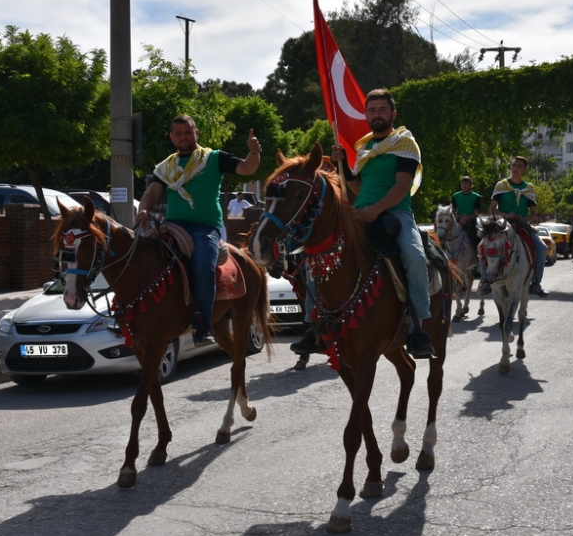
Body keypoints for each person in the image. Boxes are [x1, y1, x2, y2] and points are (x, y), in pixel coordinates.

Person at [294, 89, 436, 359]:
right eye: (371, 111)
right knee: (317, 258)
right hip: (359, 213)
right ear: (366, 115)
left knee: (415, 257)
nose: (376, 115)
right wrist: (343, 169)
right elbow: (357, 187)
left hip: (397, 214)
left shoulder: (405, 143)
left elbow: (401, 187)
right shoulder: (364, 146)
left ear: (392, 114)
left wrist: (375, 211)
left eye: (382, 110)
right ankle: (314, 326)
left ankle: (419, 326)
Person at [136, 115, 262, 343]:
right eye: (179, 133)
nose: (184, 137)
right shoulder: (166, 167)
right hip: (172, 226)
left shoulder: (214, 158)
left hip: (205, 229)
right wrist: (143, 208)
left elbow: (246, 168)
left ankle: (203, 323)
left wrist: (254, 153)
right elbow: (152, 192)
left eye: (188, 132)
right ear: (172, 137)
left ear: (197, 134)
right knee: (144, 257)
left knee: (203, 264)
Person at [480, 156, 549, 297]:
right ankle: (485, 281)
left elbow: (534, 214)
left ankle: (535, 283)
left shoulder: (528, 188)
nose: (515, 168)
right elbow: (492, 209)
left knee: (542, 248)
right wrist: (506, 215)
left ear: (524, 170)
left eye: (519, 166)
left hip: (521, 224)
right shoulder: (501, 185)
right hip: (501, 224)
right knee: (484, 245)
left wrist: (522, 218)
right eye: (513, 165)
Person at [451, 176, 481, 245]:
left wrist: (467, 218)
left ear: (471, 185)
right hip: (458, 221)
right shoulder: (456, 196)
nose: (464, 185)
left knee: (477, 238)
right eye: (463, 183)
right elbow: (452, 210)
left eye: (466, 184)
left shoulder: (476, 197)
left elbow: (477, 213)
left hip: (471, 222)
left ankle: (477, 253)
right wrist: (459, 216)